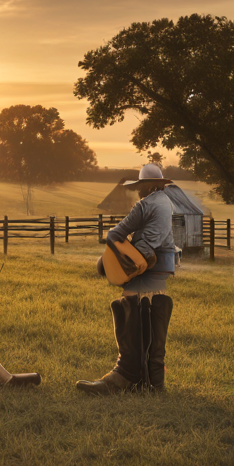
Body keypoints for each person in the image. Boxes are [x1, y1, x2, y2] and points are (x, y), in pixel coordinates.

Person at [76, 163, 175, 395]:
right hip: (163, 262)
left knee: (129, 301)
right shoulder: (166, 203)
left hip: (142, 261)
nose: (138, 190)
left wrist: (107, 259)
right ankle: (153, 379)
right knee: (151, 304)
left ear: (148, 186)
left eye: (141, 185)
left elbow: (115, 234)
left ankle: (126, 374)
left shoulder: (144, 205)